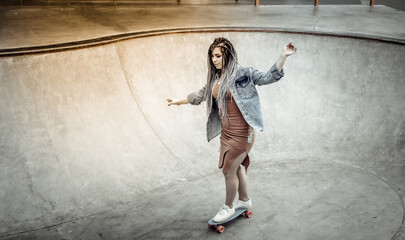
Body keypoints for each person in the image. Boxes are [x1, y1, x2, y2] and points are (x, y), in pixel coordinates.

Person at [167, 37, 296, 222]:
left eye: (218, 55)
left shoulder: (244, 73)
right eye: (212, 56)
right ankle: (244, 200)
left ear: (227, 55)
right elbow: (200, 95)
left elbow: (268, 77)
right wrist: (178, 101)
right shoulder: (215, 79)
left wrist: (283, 56)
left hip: (243, 133)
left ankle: (228, 207)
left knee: (229, 171)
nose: (214, 59)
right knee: (237, 168)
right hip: (227, 134)